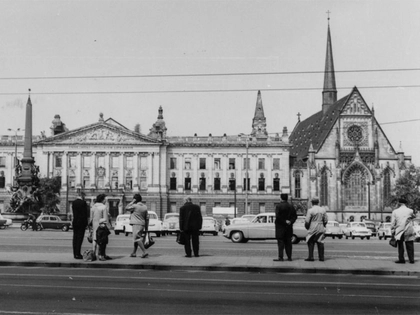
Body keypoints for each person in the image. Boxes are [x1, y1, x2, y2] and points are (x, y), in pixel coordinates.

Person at [391, 198, 416, 264]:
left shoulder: (395, 211)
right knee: (410, 245)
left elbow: (393, 223)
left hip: (399, 230)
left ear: (399, 203)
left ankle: (401, 259)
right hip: (408, 229)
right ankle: (411, 259)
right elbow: (414, 216)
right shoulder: (410, 210)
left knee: (400, 245)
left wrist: (392, 230)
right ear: (405, 203)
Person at [274, 193, 297, 261]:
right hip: (288, 228)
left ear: (281, 198)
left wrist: (284, 221)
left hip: (280, 227)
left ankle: (280, 257)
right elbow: (295, 216)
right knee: (288, 243)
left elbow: (278, 217)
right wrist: (290, 221)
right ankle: (289, 257)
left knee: (280, 243)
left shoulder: (278, 206)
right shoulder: (291, 206)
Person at [304, 197, 328, 262]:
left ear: (312, 203)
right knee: (320, 242)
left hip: (313, 226)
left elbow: (307, 220)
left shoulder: (310, 210)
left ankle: (311, 257)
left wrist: (307, 227)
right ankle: (321, 257)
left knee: (310, 241)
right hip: (320, 226)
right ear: (318, 202)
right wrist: (323, 225)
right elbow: (326, 220)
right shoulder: (323, 210)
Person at [125, 193, 149, 258]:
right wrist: (146, 228)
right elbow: (147, 218)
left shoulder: (134, 206)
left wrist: (132, 202)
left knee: (137, 238)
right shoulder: (145, 207)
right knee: (136, 238)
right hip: (142, 224)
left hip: (136, 224)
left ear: (135, 199)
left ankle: (144, 252)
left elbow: (126, 208)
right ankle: (134, 253)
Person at [72, 191, 89, 259]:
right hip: (81, 222)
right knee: (80, 238)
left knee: (75, 238)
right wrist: (86, 223)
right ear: (82, 196)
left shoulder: (74, 202)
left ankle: (75, 253)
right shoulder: (83, 203)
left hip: (75, 221)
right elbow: (85, 214)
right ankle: (78, 253)